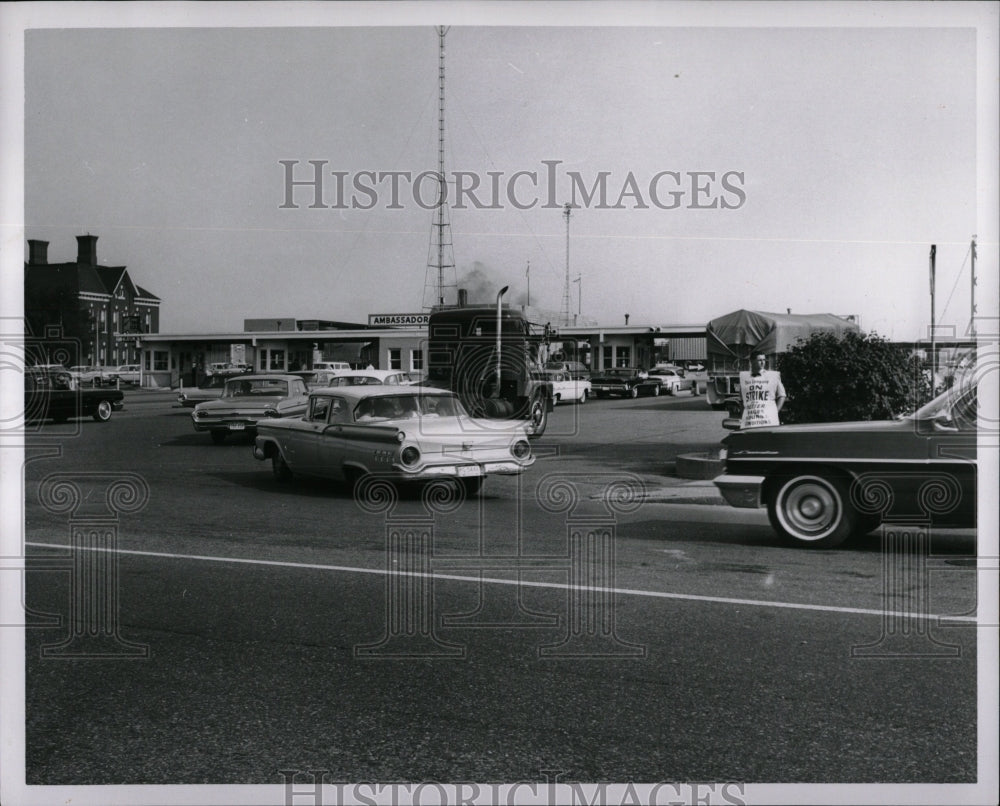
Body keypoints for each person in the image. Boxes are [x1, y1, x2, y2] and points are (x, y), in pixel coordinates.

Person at [738, 353, 786, 428]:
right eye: (759, 360)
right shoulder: (744, 378)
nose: (763, 362)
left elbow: (782, 395)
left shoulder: (772, 376)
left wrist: (775, 412)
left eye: (764, 360)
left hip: (768, 420)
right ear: (752, 361)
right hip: (750, 421)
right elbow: (741, 399)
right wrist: (743, 415)